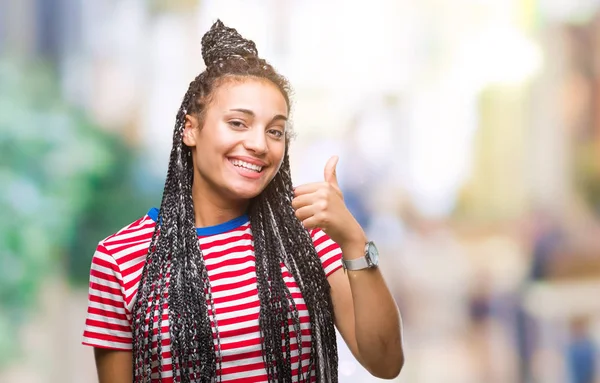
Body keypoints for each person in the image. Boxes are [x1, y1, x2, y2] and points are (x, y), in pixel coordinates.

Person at [82, 20, 404, 383]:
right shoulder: (119, 257)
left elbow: (386, 361)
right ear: (190, 129)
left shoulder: (308, 237)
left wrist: (353, 240)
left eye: (275, 130)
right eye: (238, 123)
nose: (259, 144)